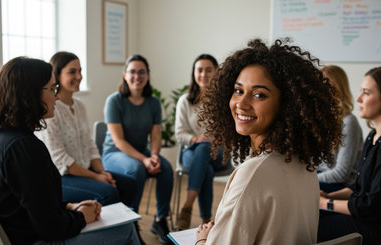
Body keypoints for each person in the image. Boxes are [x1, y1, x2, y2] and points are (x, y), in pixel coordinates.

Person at [194, 38, 342, 245]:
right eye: (238, 91)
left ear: (287, 105)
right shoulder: (305, 167)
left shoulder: (253, 174)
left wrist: (202, 240)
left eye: (259, 94)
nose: (241, 104)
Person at [0, 57, 140, 245]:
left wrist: (71, 207)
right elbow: (51, 228)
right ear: (30, 94)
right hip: (36, 240)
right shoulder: (24, 148)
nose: (56, 96)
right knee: (126, 230)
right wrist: (81, 217)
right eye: (52, 89)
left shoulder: (1, 138)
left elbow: (33, 203)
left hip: (23, 232)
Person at [317, 66, 381, 244]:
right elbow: (360, 186)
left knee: (310, 229)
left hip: (380, 229)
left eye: (366, 93)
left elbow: (372, 206)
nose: (358, 98)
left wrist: (324, 204)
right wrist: (331, 197)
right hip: (367, 219)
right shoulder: (373, 136)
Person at [35, 51, 136, 207]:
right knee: (108, 192)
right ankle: (110, 231)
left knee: (129, 185)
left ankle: (129, 229)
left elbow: (90, 145)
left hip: (86, 171)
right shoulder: (51, 110)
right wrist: (96, 178)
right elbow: (61, 159)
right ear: (57, 76)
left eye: (80, 71)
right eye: (72, 72)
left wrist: (102, 172)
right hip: (62, 177)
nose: (79, 76)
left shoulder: (80, 106)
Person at [102, 54, 174, 244]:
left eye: (142, 72)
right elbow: (118, 141)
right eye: (132, 72)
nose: (137, 76)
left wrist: (155, 156)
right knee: (137, 169)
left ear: (148, 75)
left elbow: (156, 135)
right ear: (125, 75)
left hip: (142, 153)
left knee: (166, 169)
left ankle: (160, 220)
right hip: (114, 154)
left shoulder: (153, 102)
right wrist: (144, 160)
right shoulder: (114, 101)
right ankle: (130, 222)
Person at [174, 54, 229, 230]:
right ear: (194, 73)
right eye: (199, 70)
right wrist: (196, 139)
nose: (203, 74)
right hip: (192, 151)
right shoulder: (185, 101)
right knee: (206, 167)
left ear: (216, 72)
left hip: (218, 153)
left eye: (208, 70)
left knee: (206, 149)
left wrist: (214, 140)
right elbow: (180, 133)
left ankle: (187, 206)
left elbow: (229, 132)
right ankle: (206, 220)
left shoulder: (224, 101)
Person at [317, 65, 363, 193]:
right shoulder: (323, 120)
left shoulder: (349, 123)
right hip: (321, 176)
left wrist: (306, 179)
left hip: (340, 185)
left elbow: (341, 174)